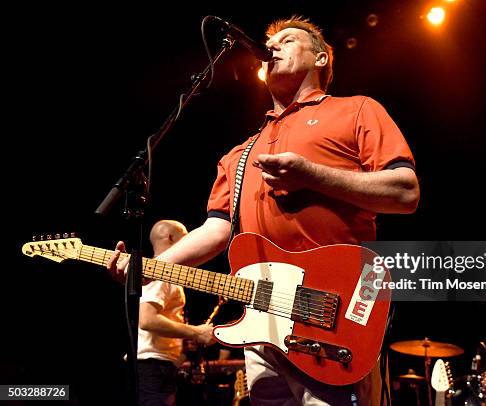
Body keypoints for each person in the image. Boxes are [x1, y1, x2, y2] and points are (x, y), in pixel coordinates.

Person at [108, 16, 419, 406]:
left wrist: (311, 175)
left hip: (336, 314)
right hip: (263, 325)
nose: (272, 46)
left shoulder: (357, 110)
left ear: (321, 58)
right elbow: (217, 230)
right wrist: (148, 267)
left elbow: (405, 192)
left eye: (287, 40)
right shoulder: (240, 154)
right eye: (269, 43)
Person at [137, 220, 214, 406]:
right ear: (171, 238)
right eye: (186, 238)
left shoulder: (163, 273)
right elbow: (146, 320)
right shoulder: (159, 273)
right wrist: (197, 332)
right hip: (153, 367)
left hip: (159, 366)